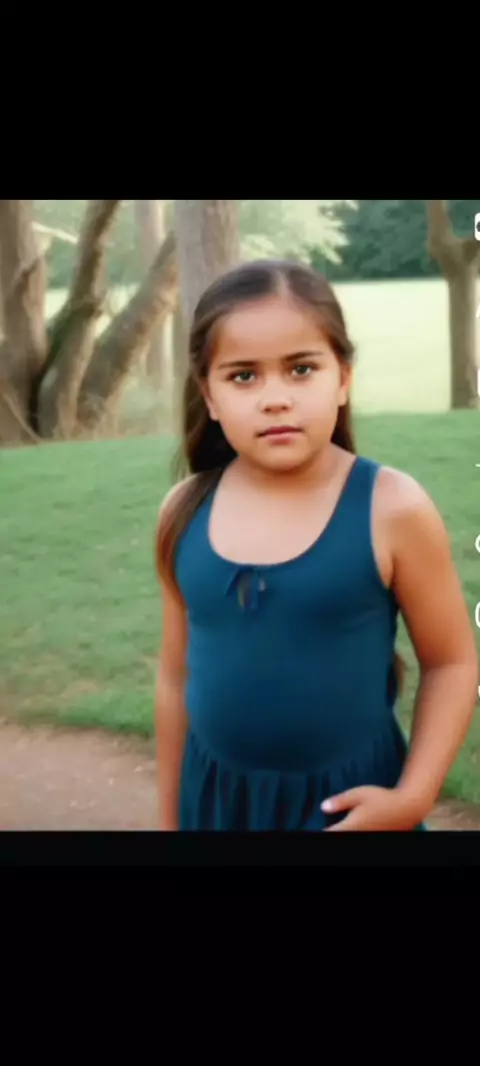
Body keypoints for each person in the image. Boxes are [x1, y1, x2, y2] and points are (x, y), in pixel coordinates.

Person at [154, 259, 478, 832]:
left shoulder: (391, 508)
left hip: (348, 810)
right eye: (243, 377)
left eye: (301, 369)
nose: (275, 398)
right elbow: (175, 678)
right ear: (209, 395)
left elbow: (452, 663)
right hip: (219, 805)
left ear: (343, 378)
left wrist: (412, 798)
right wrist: (169, 819)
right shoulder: (183, 513)